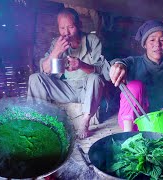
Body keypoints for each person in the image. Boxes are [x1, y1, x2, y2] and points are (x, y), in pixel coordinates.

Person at [27, 8, 105, 139]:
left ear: (79, 25)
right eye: (62, 28)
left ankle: (85, 121)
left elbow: (101, 70)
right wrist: (56, 52)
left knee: (96, 78)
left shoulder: (92, 40)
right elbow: (45, 70)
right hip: (65, 88)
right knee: (35, 78)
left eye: (70, 27)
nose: (66, 32)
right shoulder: (57, 43)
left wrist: (81, 65)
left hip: (87, 90)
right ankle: (36, 121)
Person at [109, 20, 163, 132]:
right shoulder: (134, 62)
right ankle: (127, 136)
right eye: (152, 40)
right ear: (144, 44)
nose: (157, 45)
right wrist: (118, 65)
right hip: (132, 121)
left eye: (162, 40)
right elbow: (120, 62)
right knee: (135, 86)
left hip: (155, 120)